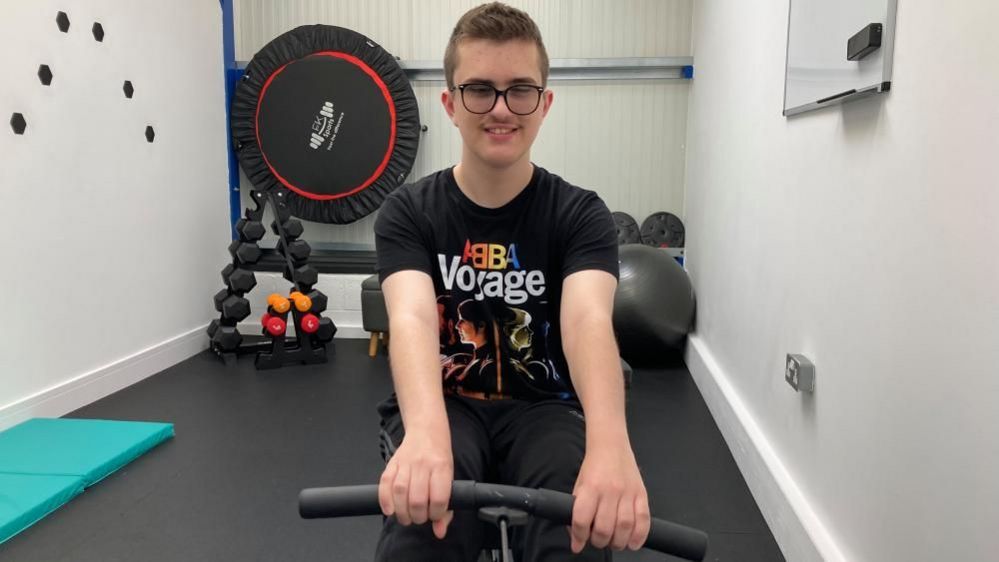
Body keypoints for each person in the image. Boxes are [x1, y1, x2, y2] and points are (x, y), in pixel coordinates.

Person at [373, 3, 650, 560]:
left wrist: (612, 444)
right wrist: (425, 434)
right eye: (480, 89)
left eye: (520, 90)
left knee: (573, 532)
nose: (501, 109)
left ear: (545, 103)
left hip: (545, 407)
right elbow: (411, 316)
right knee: (422, 532)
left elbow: (586, 320)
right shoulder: (409, 211)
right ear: (450, 103)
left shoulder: (580, 213)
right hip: (447, 401)